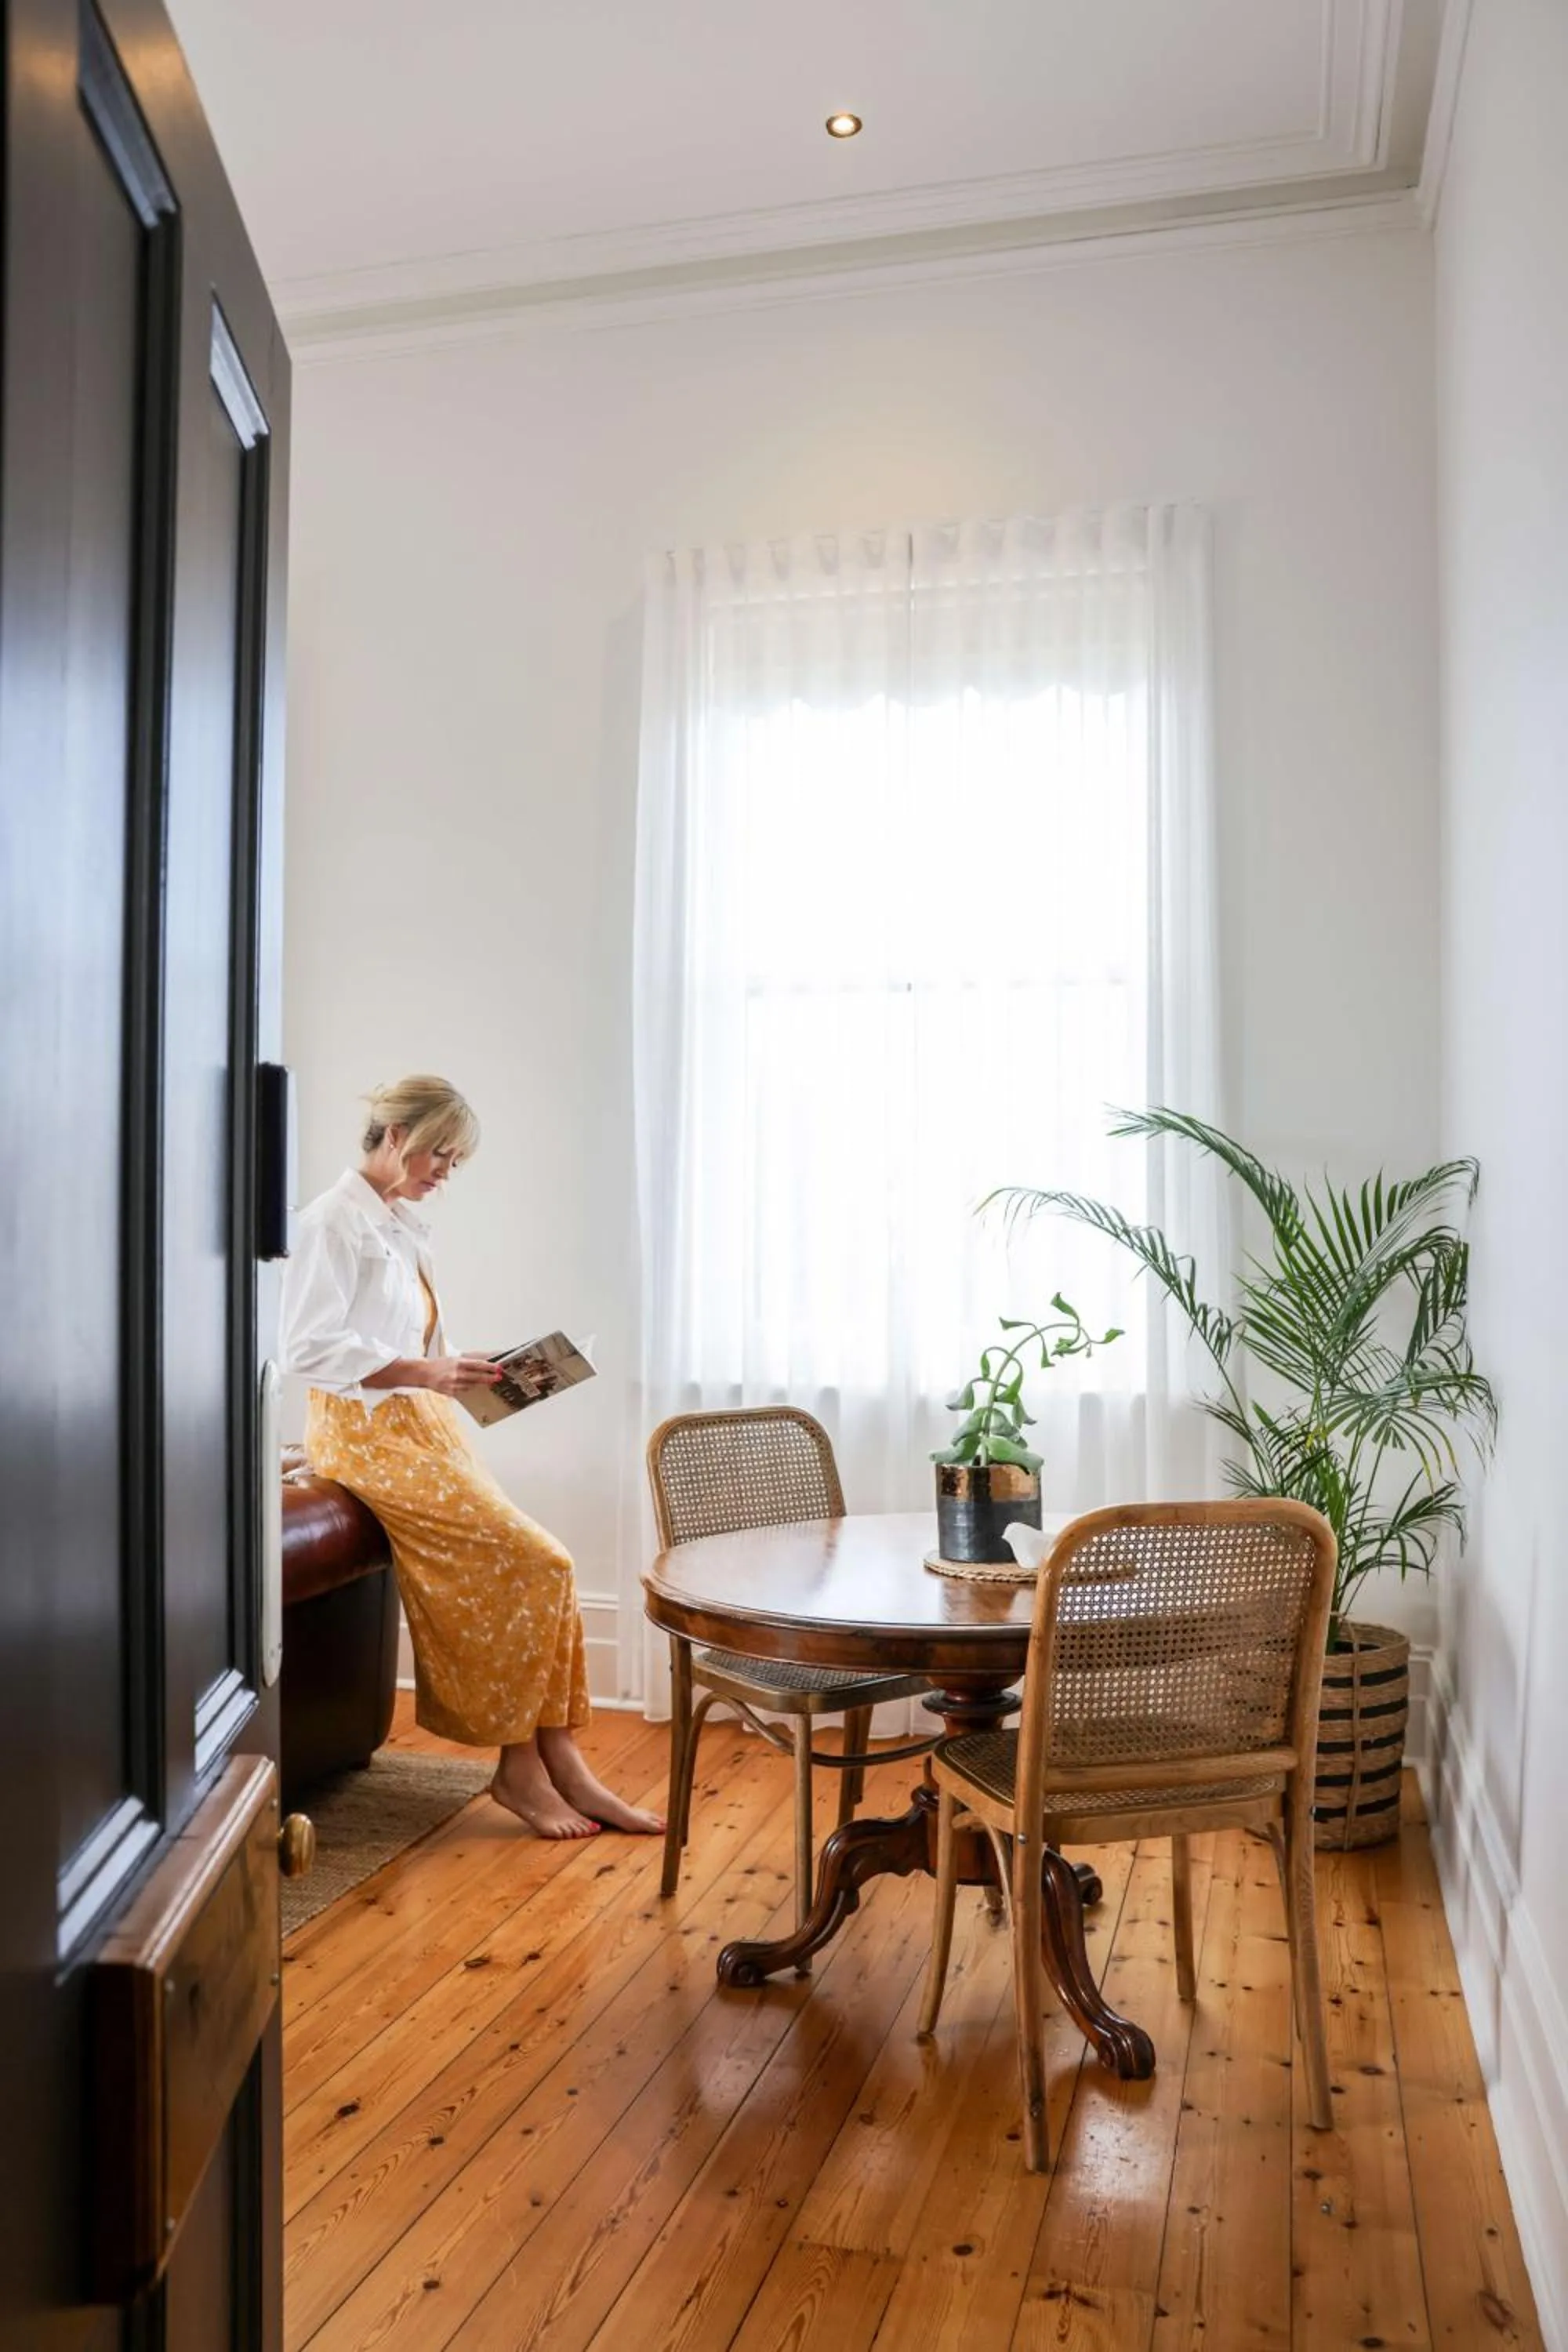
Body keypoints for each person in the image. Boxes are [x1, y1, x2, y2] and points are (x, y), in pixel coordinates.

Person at [280, 1074, 661, 1841]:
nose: (445, 1175)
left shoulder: (400, 1224)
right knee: (537, 1560)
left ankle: (557, 1761)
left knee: (546, 1568)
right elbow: (306, 1349)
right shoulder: (331, 1223)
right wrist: (427, 1373)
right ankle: (525, 1770)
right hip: (366, 1435)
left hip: (423, 1423)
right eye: (440, 1156)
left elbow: (409, 1342)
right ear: (396, 1135)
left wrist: (471, 1369)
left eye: (455, 1162)